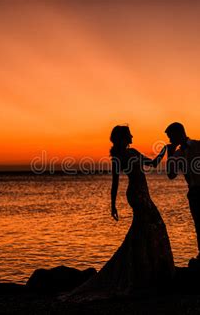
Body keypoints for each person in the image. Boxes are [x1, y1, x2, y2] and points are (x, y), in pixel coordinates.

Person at [64, 125, 175, 301]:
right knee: (155, 226)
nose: (132, 136)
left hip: (140, 194)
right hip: (137, 195)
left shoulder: (126, 155)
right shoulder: (122, 156)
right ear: (123, 137)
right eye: (129, 134)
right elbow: (116, 182)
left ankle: (145, 272)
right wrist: (112, 205)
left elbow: (152, 164)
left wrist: (164, 151)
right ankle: (146, 272)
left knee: (142, 231)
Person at [165, 122, 200, 261]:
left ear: (179, 134)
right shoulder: (177, 154)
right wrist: (170, 155)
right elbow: (171, 175)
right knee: (198, 222)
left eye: (171, 137)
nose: (170, 141)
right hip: (193, 191)